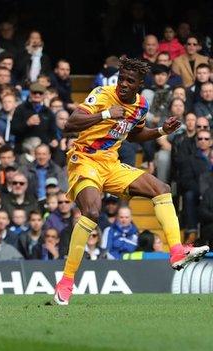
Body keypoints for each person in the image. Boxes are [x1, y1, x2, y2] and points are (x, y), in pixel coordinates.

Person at [53, 57, 209, 306]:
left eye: (129, 81)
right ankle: (67, 281)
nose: (123, 84)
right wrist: (105, 114)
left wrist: (161, 132)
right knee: (92, 212)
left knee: (162, 189)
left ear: (139, 85)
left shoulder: (141, 105)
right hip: (85, 159)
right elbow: (70, 124)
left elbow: (134, 135)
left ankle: (177, 251)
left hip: (111, 164)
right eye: (121, 78)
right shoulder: (102, 94)